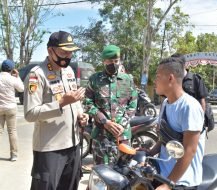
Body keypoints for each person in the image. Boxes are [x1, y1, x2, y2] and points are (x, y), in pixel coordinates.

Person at [23, 31, 88, 190]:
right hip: (50, 149)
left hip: (73, 144)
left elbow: (75, 101)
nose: (67, 56)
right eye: (63, 52)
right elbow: (30, 113)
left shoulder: (69, 71)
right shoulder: (37, 75)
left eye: (70, 52)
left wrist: (81, 114)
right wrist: (61, 103)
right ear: (50, 50)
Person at [148, 57, 205, 189]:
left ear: (170, 78)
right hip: (163, 174)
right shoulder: (165, 103)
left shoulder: (189, 106)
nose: (155, 81)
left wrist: (168, 185)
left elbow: (189, 150)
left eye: (158, 76)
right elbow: (165, 139)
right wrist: (149, 153)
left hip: (181, 181)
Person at [84, 44, 138, 165]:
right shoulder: (94, 79)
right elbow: (87, 103)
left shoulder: (127, 79)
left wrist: (122, 124)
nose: (113, 64)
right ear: (103, 61)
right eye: (109, 61)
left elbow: (133, 103)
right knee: (101, 173)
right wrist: (105, 122)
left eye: (116, 61)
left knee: (123, 173)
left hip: (122, 136)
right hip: (101, 136)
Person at [0, 59, 24, 161]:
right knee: (12, 131)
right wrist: (17, 77)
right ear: (11, 69)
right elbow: (21, 89)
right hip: (11, 108)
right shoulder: (12, 79)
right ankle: (14, 155)